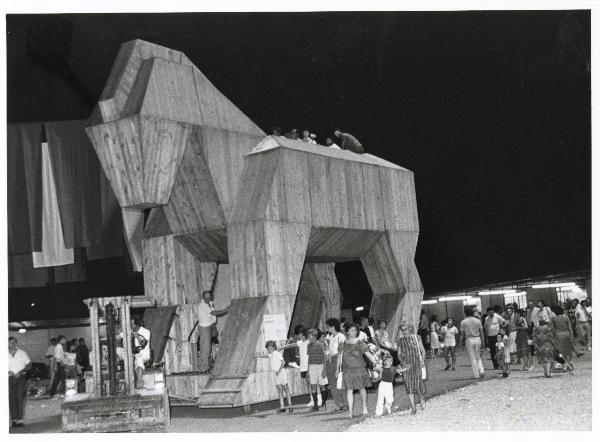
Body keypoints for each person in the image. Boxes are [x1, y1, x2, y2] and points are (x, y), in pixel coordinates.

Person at [337, 323, 378, 418]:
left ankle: (364, 406)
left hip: (359, 369)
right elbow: (339, 357)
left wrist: (376, 362)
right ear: (347, 331)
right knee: (349, 390)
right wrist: (337, 369)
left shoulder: (360, 342)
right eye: (352, 330)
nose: (354, 332)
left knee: (361, 388)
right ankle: (351, 412)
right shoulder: (343, 343)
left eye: (355, 330)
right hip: (347, 370)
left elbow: (368, 354)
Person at [279, 326, 318, 407]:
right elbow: (292, 345)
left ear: (303, 335)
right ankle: (312, 399)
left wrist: (309, 367)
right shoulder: (301, 342)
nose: (298, 336)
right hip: (303, 367)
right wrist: (282, 347)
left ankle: (317, 399)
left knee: (313, 383)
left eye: (300, 334)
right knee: (308, 383)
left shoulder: (308, 343)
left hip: (309, 366)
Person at [395, 322, 426, 414]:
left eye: (405, 329)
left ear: (410, 328)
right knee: (409, 386)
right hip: (407, 366)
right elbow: (399, 355)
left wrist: (422, 360)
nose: (404, 331)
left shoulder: (417, 337)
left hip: (417, 364)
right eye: (402, 330)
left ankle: (422, 398)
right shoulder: (400, 341)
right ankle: (413, 407)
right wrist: (404, 363)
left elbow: (423, 350)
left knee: (418, 384)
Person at [198, 290, 229, 373]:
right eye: (206, 298)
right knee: (205, 347)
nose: (208, 299)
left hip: (210, 326)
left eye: (209, 297)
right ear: (203, 298)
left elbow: (211, 318)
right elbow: (213, 313)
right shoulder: (202, 305)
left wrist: (214, 327)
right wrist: (226, 310)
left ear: (211, 297)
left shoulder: (210, 303)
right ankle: (203, 368)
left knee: (210, 347)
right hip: (204, 327)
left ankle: (207, 366)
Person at [324, 318, 347, 412]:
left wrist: (338, 365)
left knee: (340, 382)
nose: (327, 328)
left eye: (328, 326)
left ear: (332, 326)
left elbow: (341, 351)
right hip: (330, 360)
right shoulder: (330, 337)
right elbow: (328, 350)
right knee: (332, 383)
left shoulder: (341, 336)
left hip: (338, 359)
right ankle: (338, 404)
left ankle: (345, 403)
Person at [9, 337, 31, 427]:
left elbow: (29, 365)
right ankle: (14, 420)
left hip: (21, 378)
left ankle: (20, 420)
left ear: (16, 343)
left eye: (14, 342)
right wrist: (9, 372)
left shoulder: (22, 353)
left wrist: (21, 372)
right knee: (11, 399)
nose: (12, 344)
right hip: (8, 378)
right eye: (10, 343)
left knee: (20, 397)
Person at [266, 341, 293, 413]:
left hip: (281, 372)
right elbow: (266, 356)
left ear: (274, 347)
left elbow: (283, 362)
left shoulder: (277, 353)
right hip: (276, 373)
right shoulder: (270, 354)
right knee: (279, 390)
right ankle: (282, 407)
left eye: (270, 348)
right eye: (268, 349)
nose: (269, 350)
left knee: (286, 388)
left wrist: (279, 370)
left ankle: (290, 406)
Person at [305, 328, 328, 411]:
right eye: (307, 336)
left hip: (320, 366)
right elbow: (309, 358)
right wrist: (308, 370)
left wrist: (324, 370)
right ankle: (315, 405)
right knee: (313, 386)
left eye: (309, 336)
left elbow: (324, 358)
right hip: (312, 367)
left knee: (322, 386)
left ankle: (323, 404)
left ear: (314, 336)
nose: (308, 338)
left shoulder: (320, 345)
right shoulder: (308, 345)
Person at [460, 306, 485, 379]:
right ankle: (482, 371)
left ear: (465, 313)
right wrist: (483, 341)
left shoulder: (463, 322)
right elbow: (481, 332)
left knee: (472, 358)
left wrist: (460, 342)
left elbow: (462, 334)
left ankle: (476, 375)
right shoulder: (477, 320)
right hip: (478, 339)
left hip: (469, 339)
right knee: (478, 357)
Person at [551, 305, 575, 370]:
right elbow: (570, 328)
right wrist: (572, 337)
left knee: (560, 351)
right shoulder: (566, 318)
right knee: (568, 351)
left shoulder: (553, 318)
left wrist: (553, 337)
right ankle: (567, 364)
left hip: (558, 335)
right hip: (567, 334)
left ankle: (564, 364)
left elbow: (552, 329)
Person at [131, 316, 151, 388]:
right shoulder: (131, 331)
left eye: (132, 324)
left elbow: (143, 343)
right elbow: (120, 336)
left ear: (137, 325)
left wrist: (137, 336)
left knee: (139, 361)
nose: (131, 326)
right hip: (134, 355)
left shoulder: (146, 332)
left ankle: (139, 382)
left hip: (144, 355)